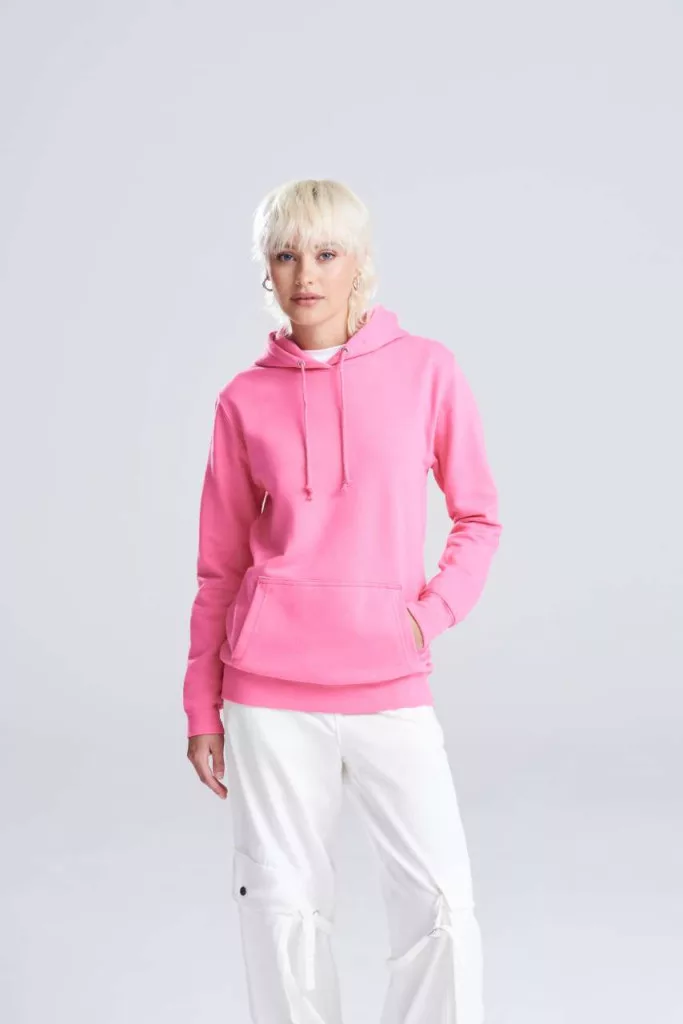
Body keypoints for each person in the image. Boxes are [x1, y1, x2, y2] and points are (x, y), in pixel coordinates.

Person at [183, 178, 502, 1024]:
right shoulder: (242, 400)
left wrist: (424, 617)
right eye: (286, 254)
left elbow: (478, 518)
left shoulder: (426, 370)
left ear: (359, 261)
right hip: (267, 693)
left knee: (440, 908)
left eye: (325, 253)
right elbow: (218, 568)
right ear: (266, 268)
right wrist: (201, 706)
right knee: (281, 908)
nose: (306, 274)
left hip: (387, 678)